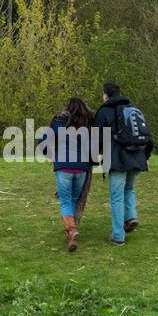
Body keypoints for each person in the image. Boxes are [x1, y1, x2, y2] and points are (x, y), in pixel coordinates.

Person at [95, 82, 153, 245]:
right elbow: (148, 135)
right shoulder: (133, 110)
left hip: (117, 160)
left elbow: (98, 138)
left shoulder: (104, 111)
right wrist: (146, 155)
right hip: (138, 157)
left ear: (106, 95)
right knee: (129, 188)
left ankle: (118, 236)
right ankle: (131, 216)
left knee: (116, 197)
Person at [41, 97, 96, 251]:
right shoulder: (86, 125)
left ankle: (71, 230)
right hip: (81, 168)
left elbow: (43, 141)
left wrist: (49, 154)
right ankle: (71, 233)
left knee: (65, 201)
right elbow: (92, 147)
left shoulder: (58, 121)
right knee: (73, 199)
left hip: (63, 166)